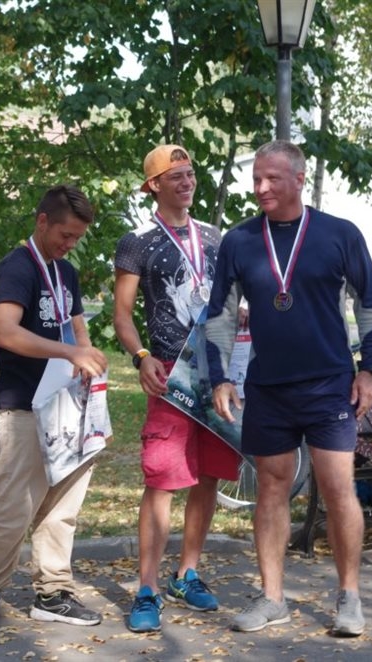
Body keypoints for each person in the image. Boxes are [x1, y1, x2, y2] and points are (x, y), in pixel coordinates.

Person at [205, 139, 372, 638]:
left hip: (330, 386)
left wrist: (369, 369)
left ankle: (349, 597)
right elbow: (220, 314)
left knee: (337, 487)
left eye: (272, 179)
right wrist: (220, 377)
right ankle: (272, 597)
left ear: (299, 179)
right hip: (268, 387)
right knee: (271, 487)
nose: (261, 187)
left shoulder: (339, 234)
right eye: (256, 178)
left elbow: (370, 304)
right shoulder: (240, 241)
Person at [0, 184, 108, 629]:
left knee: (63, 506)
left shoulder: (66, 272)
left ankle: (53, 593)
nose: (70, 244)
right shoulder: (17, 268)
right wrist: (69, 352)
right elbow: (5, 332)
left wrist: (86, 356)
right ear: (42, 221)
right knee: (14, 507)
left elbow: (77, 330)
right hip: (22, 405)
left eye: (77, 237)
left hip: (67, 406)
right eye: (65, 234)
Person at [113, 144, 240, 633]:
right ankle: (146, 588)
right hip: (169, 372)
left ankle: (187, 574)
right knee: (163, 478)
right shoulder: (137, 241)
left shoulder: (214, 236)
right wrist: (141, 356)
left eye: (190, 173)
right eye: (176, 176)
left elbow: (226, 299)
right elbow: (123, 316)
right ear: (154, 186)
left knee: (208, 474)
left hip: (214, 370)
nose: (187, 182)